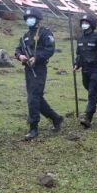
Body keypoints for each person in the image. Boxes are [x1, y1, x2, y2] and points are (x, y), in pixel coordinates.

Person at [15, 8, 64, 140]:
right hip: (28, 70)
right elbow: (18, 49)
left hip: (39, 69)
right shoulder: (25, 36)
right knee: (36, 97)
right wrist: (20, 56)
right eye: (27, 18)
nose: (29, 20)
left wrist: (36, 57)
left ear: (37, 19)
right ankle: (56, 118)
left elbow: (50, 49)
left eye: (31, 17)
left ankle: (33, 128)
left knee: (33, 98)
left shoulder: (45, 32)